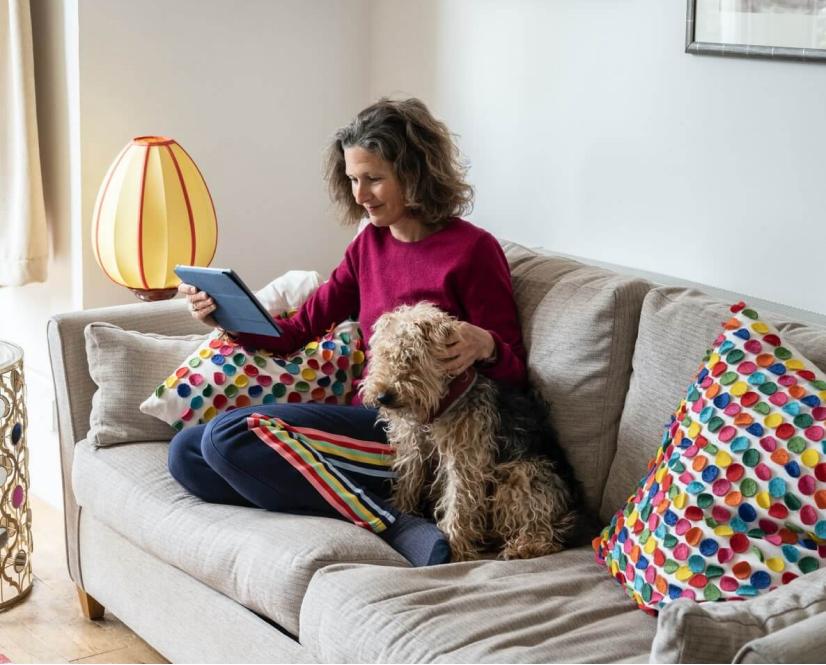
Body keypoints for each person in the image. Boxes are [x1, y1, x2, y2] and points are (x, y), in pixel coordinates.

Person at [168, 98, 528, 566]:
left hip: (418, 440)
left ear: (415, 172)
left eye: (374, 178)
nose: (360, 195)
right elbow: (295, 333)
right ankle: (350, 505)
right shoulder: (368, 246)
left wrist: (488, 345)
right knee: (187, 455)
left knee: (228, 438)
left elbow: (517, 373)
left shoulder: (472, 251)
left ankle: (398, 526)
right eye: (354, 179)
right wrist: (223, 313)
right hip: (368, 415)